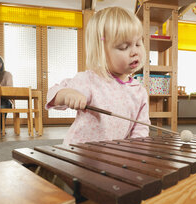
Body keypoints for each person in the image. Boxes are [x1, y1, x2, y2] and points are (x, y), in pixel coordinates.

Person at [46, 7, 150, 146]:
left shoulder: (139, 91)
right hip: (79, 152)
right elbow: (52, 94)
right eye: (124, 47)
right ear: (100, 51)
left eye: (138, 43)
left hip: (112, 154)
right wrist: (66, 94)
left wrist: (137, 151)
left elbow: (141, 129)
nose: (135, 52)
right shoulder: (90, 81)